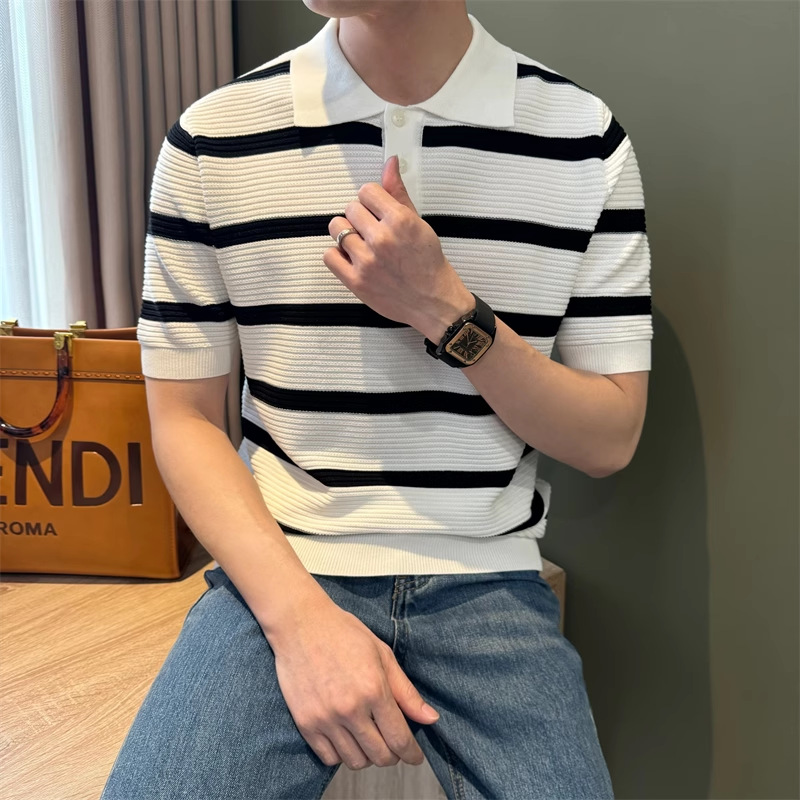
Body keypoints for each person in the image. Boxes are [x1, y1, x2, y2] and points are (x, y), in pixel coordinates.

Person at [101, 1, 651, 797]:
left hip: (490, 580)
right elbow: (183, 420)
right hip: (281, 569)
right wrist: (300, 622)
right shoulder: (212, 139)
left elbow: (610, 437)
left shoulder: (582, 140)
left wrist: (445, 311)